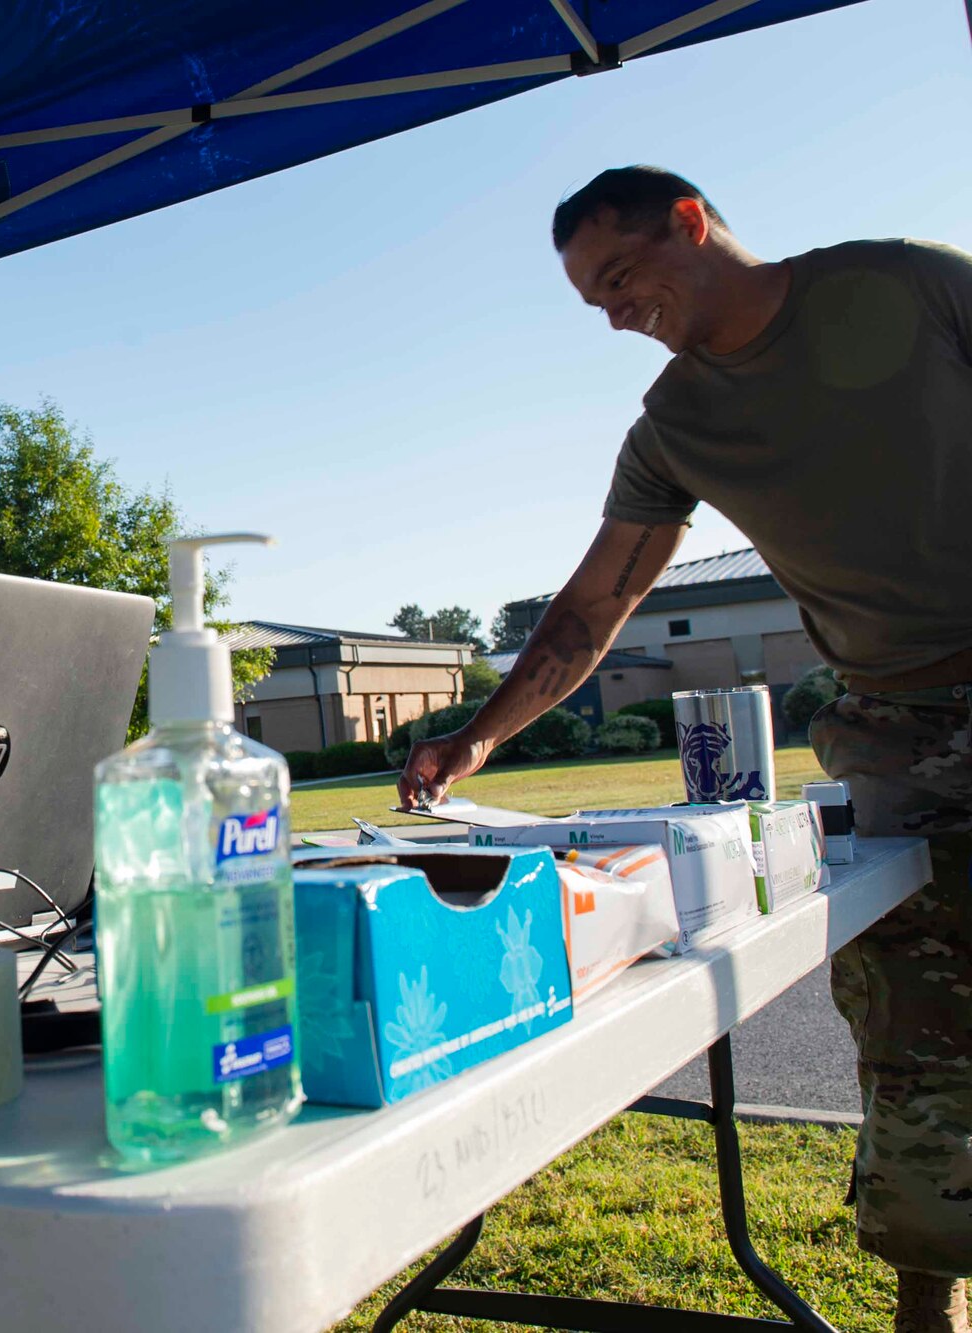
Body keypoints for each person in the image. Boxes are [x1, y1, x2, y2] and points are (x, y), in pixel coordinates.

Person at [399, 167, 972, 1331]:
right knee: (918, 1029)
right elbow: (590, 607)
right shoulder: (670, 427)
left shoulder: (907, 285)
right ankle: (931, 1300)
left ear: (689, 223)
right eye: (591, 302)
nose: (614, 312)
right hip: (900, 733)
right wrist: (477, 737)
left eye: (620, 276)